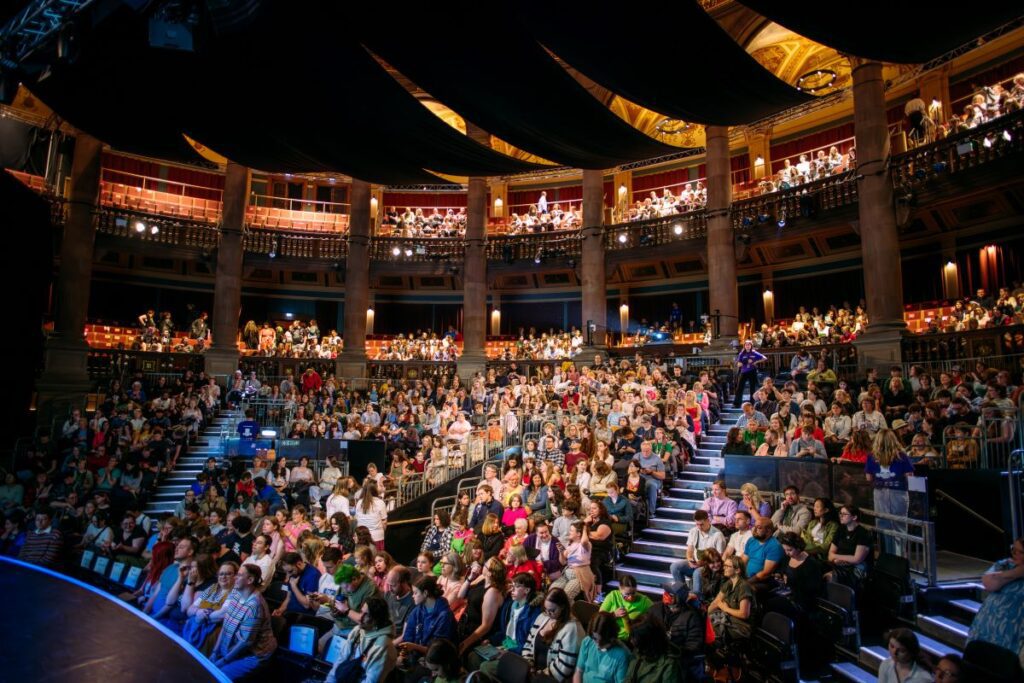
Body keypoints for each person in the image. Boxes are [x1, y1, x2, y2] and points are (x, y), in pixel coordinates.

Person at [210, 564, 277, 681]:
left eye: (239, 575)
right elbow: (226, 625)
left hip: (254, 655)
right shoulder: (235, 593)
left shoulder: (255, 605)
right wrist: (215, 652)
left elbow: (245, 643)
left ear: (250, 580)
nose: (235, 577)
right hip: (237, 650)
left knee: (219, 675)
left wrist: (223, 661)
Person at [967, 536, 1024, 658]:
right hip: (987, 626)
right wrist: (1016, 573)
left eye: (1021, 552)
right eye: (1014, 550)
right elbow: (988, 583)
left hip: (1012, 632)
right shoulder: (1005, 564)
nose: (1015, 554)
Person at [325, 597, 397, 683]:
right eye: (361, 612)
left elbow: (371, 681)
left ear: (376, 620)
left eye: (367, 615)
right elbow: (341, 660)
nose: (360, 618)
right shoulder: (358, 630)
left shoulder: (383, 646)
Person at [866, 428, 914, 556]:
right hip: (898, 492)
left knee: (883, 525)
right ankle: (900, 559)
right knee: (899, 525)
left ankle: (885, 558)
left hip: (879, 492)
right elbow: (909, 475)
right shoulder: (902, 456)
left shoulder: (872, 456)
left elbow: (869, 477)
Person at [522, 587, 585, 683]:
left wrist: (539, 675)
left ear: (563, 607)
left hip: (550, 679)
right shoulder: (542, 617)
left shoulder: (572, 628)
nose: (548, 613)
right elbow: (528, 644)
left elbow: (564, 667)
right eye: (546, 609)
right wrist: (528, 665)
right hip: (532, 673)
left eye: (552, 610)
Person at [395, 575, 455, 672]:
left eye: (415, 593)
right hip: (418, 655)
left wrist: (414, 647)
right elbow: (408, 636)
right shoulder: (418, 610)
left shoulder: (444, 615)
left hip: (436, 661)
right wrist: (402, 655)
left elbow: (438, 650)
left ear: (425, 593)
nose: (412, 596)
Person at [574, 611, 634, 683]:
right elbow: (579, 671)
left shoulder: (621, 655)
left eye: (602, 641)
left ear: (611, 637)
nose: (597, 644)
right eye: (594, 638)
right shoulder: (587, 641)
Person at [661, 582, 705, 680]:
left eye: (670, 595)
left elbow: (693, 647)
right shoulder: (661, 610)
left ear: (679, 599)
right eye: (666, 592)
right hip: (665, 660)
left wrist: (673, 652)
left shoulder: (692, 617)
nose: (666, 596)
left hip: (682, 665)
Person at [670, 509, 726, 584]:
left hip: (710, 565)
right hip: (696, 563)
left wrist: (702, 563)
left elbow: (720, 558)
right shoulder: (693, 531)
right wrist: (690, 559)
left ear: (708, 520)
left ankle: (697, 595)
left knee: (697, 573)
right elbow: (689, 550)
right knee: (674, 566)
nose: (699, 527)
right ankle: (683, 593)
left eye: (701, 524)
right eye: (697, 524)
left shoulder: (718, 535)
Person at [708, 555, 753, 641]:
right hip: (728, 618)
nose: (724, 568)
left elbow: (744, 614)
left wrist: (725, 608)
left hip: (741, 626)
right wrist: (705, 617)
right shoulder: (728, 583)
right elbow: (716, 602)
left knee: (708, 630)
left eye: (727, 566)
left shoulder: (744, 586)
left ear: (737, 570)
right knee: (703, 624)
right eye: (724, 565)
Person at [627, 614, 682, 683]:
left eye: (635, 638)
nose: (631, 641)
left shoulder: (669, 664)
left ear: (647, 640)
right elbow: (628, 678)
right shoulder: (638, 653)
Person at [827, 504, 873, 587]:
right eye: (840, 513)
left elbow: (857, 559)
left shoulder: (863, 533)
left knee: (833, 578)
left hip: (857, 567)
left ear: (854, 517)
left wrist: (836, 557)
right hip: (840, 564)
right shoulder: (840, 530)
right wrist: (835, 560)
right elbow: (830, 555)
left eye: (844, 514)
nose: (841, 516)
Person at [599, 574, 653, 641]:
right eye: (627, 594)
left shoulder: (644, 601)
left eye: (633, 593)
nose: (630, 597)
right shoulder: (613, 596)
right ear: (620, 589)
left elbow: (655, 616)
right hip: (612, 637)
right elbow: (599, 617)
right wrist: (613, 615)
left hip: (632, 639)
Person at [272, 551, 321, 617]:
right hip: (289, 612)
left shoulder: (313, 575)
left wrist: (294, 586)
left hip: (302, 616)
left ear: (299, 564)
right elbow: (288, 597)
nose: (288, 575)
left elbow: (307, 605)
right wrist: (280, 610)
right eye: (286, 572)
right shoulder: (293, 572)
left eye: (290, 571)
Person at [741, 518, 784, 591]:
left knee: (743, 590)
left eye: (759, 527)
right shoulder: (751, 540)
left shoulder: (774, 546)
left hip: (763, 581)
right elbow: (742, 561)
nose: (754, 530)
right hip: (746, 577)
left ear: (768, 531)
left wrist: (746, 582)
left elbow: (766, 573)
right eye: (754, 526)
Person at [734, 340, 767, 408]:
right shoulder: (742, 353)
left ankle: (753, 403)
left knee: (753, 388)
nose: (747, 346)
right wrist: (745, 361)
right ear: (744, 346)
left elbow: (764, 358)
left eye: (749, 345)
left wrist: (756, 362)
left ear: (751, 346)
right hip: (744, 372)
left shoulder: (754, 353)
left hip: (752, 371)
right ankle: (736, 404)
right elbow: (738, 365)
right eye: (746, 345)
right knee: (739, 388)